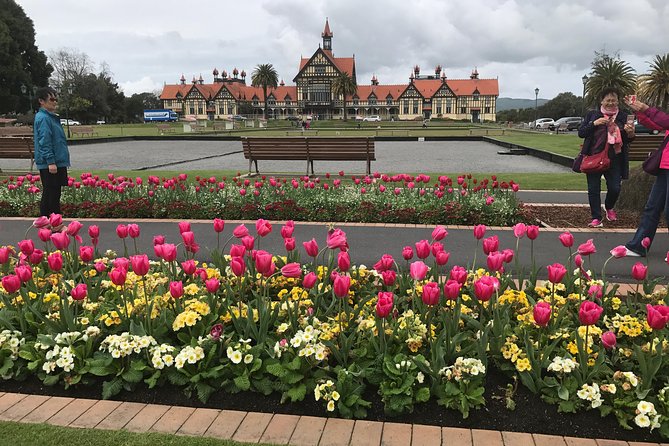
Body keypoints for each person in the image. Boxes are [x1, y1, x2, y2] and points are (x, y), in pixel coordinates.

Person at [577, 88, 635, 227]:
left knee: (615, 188)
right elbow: (581, 133)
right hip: (594, 157)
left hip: (615, 158)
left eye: (613, 100)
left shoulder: (623, 116)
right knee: (593, 189)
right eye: (608, 100)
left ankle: (609, 207)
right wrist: (594, 124)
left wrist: (630, 133)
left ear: (618, 101)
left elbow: (628, 140)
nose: (610, 103)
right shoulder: (593, 114)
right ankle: (596, 217)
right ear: (601, 101)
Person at [620, 97, 669, 257]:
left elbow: (666, 121)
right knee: (652, 207)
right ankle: (638, 246)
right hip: (665, 166)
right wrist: (639, 112)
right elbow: (657, 124)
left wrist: (646, 108)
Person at [33, 87, 71, 218]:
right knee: (51, 192)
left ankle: (52, 221)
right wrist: (50, 161)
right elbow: (44, 141)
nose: (55, 102)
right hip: (51, 162)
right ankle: (51, 221)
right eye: (51, 99)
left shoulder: (50, 117)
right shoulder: (43, 118)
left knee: (54, 192)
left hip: (57, 160)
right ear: (41, 101)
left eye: (56, 99)